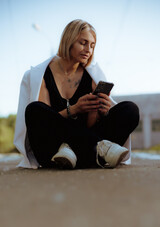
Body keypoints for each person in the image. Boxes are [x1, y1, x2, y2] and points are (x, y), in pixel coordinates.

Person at [14, 19, 139, 169]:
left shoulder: (92, 76)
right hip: (53, 149)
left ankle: (84, 153)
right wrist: (74, 109)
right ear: (69, 40)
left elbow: (91, 126)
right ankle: (96, 150)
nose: (89, 50)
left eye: (92, 45)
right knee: (34, 110)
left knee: (129, 110)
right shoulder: (40, 75)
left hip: (79, 149)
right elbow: (46, 123)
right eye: (83, 43)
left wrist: (101, 111)